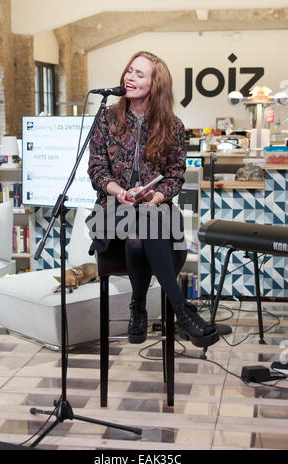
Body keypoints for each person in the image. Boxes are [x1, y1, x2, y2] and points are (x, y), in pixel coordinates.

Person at [87, 51, 219, 348]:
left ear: (156, 84)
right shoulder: (106, 119)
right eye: (129, 71)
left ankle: (137, 305)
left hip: (153, 212)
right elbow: (96, 168)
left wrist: (156, 196)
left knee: (144, 226)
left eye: (139, 74)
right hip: (111, 211)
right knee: (144, 226)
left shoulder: (172, 126)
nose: (129, 78)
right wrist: (119, 192)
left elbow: (175, 175)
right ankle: (181, 309)